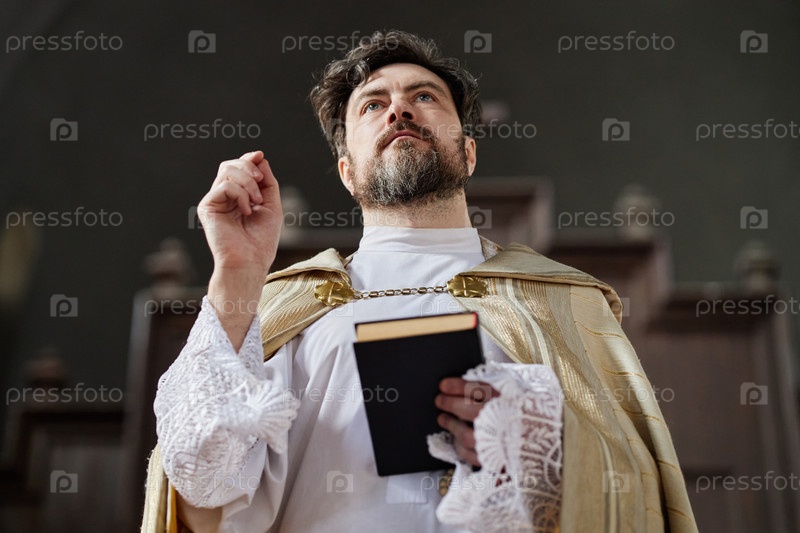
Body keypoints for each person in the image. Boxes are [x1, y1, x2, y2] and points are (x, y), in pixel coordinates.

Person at [142, 30, 698, 532]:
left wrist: (541, 449)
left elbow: (634, 488)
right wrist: (237, 274)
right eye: (373, 104)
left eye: (425, 96)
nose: (399, 110)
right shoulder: (274, 310)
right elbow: (202, 500)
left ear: (468, 152)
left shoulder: (562, 300)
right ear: (347, 172)